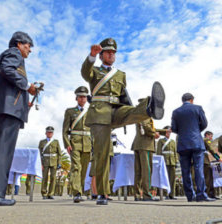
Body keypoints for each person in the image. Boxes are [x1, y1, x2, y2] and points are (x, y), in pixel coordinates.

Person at [81, 38, 165, 205]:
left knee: (134, 110)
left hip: (117, 110)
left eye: (113, 53)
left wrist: (132, 113)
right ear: (102, 55)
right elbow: (85, 73)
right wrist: (91, 56)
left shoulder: (121, 75)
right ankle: (102, 193)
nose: (111, 54)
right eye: (108, 52)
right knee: (103, 154)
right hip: (99, 113)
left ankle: (150, 107)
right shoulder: (95, 72)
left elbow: (123, 97)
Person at [0, 31, 36, 206]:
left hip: (8, 109)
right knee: (3, 153)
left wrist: (23, 103)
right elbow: (7, 70)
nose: (29, 51)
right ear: (19, 44)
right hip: (8, 112)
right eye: (28, 46)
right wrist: (28, 86)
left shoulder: (13, 56)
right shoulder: (14, 53)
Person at [171, 93, 214, 202]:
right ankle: (201, 195)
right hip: (196, 142)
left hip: (183, 143)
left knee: (185, 171)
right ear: (191, 100)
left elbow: (174, 128)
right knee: (198, 169)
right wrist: (195, 129)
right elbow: (204, 124)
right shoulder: (198, 108)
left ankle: (190, 196)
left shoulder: (176, 112)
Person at [131, 104, 167, 201]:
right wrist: (153, 134)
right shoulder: (145, 115)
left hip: (138, 145)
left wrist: (163, 132)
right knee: (147, 171)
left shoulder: (139, 114)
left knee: (138, 172)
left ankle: (137, 194)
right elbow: (146, 126)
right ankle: (147, 194)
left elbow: (147, 127)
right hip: (146, 145)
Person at [62, 86, 92, 203]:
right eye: (80, 97)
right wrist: (66, 143)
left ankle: (80, 189)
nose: (82, 99)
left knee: (84, 169)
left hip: (87, 143)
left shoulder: (90, 112)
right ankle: (77, 193)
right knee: (76, 167)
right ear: (76, 98)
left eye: (84, 97)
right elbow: (64, 130)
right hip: (74, 143)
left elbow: (93, 129)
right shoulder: (70, 112)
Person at [39, 126, 62, 199]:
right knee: (44, 177)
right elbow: (39, 153)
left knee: (53, 178)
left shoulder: (56, 141)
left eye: (51, 132)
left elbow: (59, 153)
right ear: (46, 133)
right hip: (45, 161)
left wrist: (59, 163)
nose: (50, 134)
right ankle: (44, 193)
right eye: (48, 132)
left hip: (54, 161)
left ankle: (51, 193)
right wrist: (40, 163)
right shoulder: (42, 142)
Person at [157, 125, 178, 200]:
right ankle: (166, 194)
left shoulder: (173, 142)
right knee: (165, 178)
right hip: (164, 162)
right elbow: (159, 152)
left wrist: (176, 162)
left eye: (170, 132)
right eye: (167, 131)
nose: (169, 133)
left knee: (172, 179)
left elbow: (175, 152)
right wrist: (159, 162)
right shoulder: (161, 141)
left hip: (172, 162)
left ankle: (172, 194)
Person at [203, 131, 221, 199]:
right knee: (209, 178)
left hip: (201, 160)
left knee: (205, 178)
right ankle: (209, 194)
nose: (211, 138)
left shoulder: (200, 140)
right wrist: (218, 158)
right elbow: (211, 149)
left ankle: (207, 194)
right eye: (211, 136)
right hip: (205, 161)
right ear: (207, 135)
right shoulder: (206, 140)